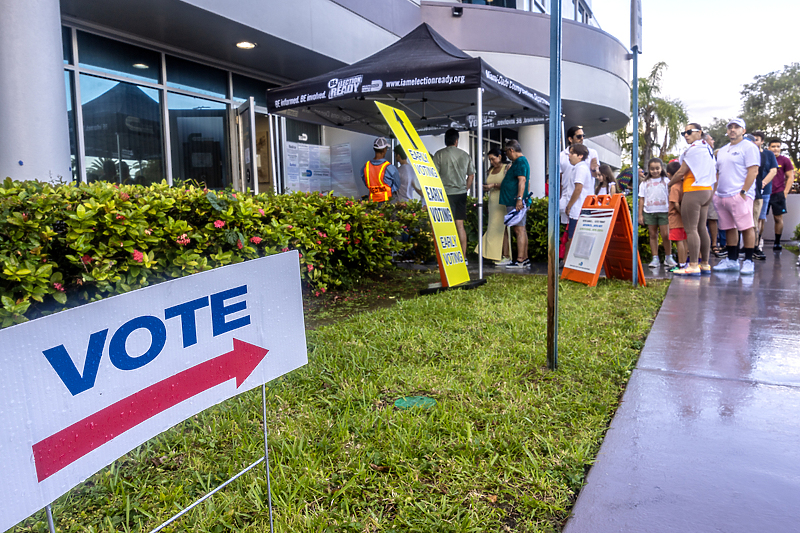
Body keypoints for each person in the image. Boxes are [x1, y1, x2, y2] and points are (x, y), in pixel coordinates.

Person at [712, 118, 760, 274]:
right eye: (730, 127)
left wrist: (744, 192)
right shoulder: (723, 150)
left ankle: (748, 261)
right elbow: (718, 173)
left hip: (740, 194)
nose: (733, 129)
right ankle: (732, 260)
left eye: (737, 127)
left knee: (746, 227)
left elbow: (753, 171)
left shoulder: (749, 147)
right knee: (729, 228)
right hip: (722, 195)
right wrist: (715, 194)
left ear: (743, 131)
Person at [669, 123, 714, 275]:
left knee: (691, 229)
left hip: (693, 190)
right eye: (684, 133)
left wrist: (669, 184)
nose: (686, 135)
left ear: (699, 132)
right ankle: (705, 264)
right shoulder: (707, 148)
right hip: (707, 190)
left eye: (689, 132)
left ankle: (694, 265)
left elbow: (681, 171)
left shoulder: (694, 149)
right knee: (702, 228)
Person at [432, 128, 475, 259]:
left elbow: (434, 176)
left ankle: (448, 257)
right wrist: (465, 188)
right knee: (460, 226)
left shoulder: (438, 154)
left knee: (446, 226)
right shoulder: (465, 155)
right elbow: (471, 175)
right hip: (461, 193)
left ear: (446, 140)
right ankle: (463, 257)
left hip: (445, 195)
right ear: (456, 141)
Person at [476, 147, 512, 265]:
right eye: (490, 160)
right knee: (492, 227)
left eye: (493, 159)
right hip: (492, 201)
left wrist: (493, 185)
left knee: (503, 228)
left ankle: (505, 255)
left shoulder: (507, 167)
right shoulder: (490, 170)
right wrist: (486, 187)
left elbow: (509, 184)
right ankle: (494, 254)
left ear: (500, 157)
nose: (491, 162)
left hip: (502, 201)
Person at [560, 126, 599, 225]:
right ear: (570, 139)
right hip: (566, 197)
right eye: (579, 136)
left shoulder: (591, 153)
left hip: (583, 200)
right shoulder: (562, 155)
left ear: (581, 156)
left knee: (578, 232)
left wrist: (594, 169)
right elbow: (560, 179)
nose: (582, 138)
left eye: (583, 136)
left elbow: (596, 176)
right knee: (568, 230)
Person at [639, 157, 675, 268]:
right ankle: (655, 258)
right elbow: (641, 199)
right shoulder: (645, 183)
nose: (655, 171)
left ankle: (668, 257)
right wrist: (640, 215)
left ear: (661, 168)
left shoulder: (667, 181)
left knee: (666, 235)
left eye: (657, 168)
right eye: (652, 169)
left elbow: (670, 196)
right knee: (653, 235)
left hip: (664, 211)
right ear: (649, 170)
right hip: (649, 211)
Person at [499, 140, 530, 268]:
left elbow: (522, 180)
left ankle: (520, 260)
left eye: (507, 152)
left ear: (511, 150)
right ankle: (524, 258)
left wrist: (519, 198)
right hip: (514, 200)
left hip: (515, 201)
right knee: (521, 229)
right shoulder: (518, 162)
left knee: (519, 229)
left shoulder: (520, 162)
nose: (507, 155)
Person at [750, 132, 778, 259]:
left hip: (763, 191)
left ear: (762, 142)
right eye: (752, 139)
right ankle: (745, 246)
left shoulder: (768, 154)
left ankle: (756, 244)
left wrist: (763, 183)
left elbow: (773, 170)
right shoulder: (747, 153)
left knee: (760, 219)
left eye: (757, 140)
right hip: (748, 191)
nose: (754, 142)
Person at [564, 143, 593, 259]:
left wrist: (569, 206)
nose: (569, 156)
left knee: (573, 238)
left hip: (578, 209)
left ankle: (568, 262)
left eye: (572, 153)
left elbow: (578, 189)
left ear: (580, 155)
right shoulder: (580, 167)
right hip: (581, 208)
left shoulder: (580, 168)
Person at [767, 138, 796, 251]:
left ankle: (777, 242)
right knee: (760, 219)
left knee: (778, 218)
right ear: (769, 148)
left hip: (778, 193)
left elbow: (790, 177)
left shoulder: (785, 160)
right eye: (773, 146)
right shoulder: (764, 158)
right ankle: (756, 243)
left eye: (778, 146)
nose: (776, 149)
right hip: (764, 193)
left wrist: (785, 192)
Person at [665, 161, 688, 272]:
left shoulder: (674, 187)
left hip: (675, 217)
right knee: (684, 240)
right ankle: (684, 263)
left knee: (678, 241)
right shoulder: (684, 184)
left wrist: (681, 213)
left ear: (668, 174)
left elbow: (675, 203)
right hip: (684, 219)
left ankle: (681, 264)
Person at [361, 137, 399, 203]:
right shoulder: (389, 167)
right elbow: (397, 185)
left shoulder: (366, 167)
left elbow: (366, 182)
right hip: (387, 203)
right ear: (384, 150)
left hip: (372, 203)